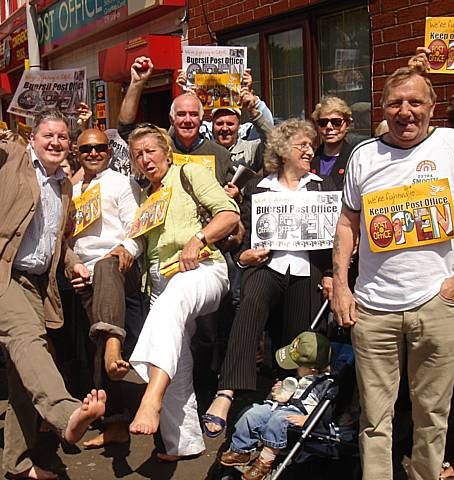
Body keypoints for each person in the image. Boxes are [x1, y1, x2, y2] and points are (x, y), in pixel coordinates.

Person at [0, 66, 106, 480]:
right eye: (48, 135)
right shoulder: (8, 157)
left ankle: (17, 465)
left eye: (62, 137)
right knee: (27, 336)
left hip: (33, 285)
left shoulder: (65, 186)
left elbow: (55, 240)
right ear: (33, 139)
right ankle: (65, 412)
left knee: (22, 372)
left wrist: (73, 263)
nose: (55, 141)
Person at [332, 66, 454, 480]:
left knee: (432, 415)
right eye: (395, 103)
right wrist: (340, 284)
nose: (405, 112)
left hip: (437, 302)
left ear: (432, 106)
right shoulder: (364, 155)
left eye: (415, 102)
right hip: (373, 307)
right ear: (383, 109)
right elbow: (346, 223)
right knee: (375, 419)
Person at [203, 119, 335, 437]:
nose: (309, 150)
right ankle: (227, 391)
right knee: (252, 299)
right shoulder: (258, 188)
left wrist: (331, 274)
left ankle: (280, 405)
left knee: (297, 338)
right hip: (267, 267)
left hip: (307, 271)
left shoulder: (324, 186)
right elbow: (241, 238)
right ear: (282, 150)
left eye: (311, 145)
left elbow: (337, 240)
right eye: (302, 144)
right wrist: (241, 257)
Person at [125, 124, 240, 460]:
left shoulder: (188, 172)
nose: (145, 159)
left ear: (166, 150)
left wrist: (198, 239)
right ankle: (183, 443)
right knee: (176, 355)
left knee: (171, 305)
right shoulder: (147, 196)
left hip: (201, 269)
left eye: (151, 150)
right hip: (161, 281)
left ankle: (150, 398)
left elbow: (229, 214)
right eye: (137, 155)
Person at [69, 128, 145, 448]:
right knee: (91, 346)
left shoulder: (121, 183)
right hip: (81, 273)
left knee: (105, 268)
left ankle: (115, 342)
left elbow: (136, 229)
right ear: (77, 153)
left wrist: (125, 250)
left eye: (100, 147)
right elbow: (62, 240)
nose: (94, 154)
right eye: (87, 149)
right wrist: (72, 265)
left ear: (109, 150)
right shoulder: (68, 190)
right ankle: (110, 421)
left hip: (116, 266)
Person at [219, 332, 333, 480]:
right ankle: (240, 450)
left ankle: (265, 461)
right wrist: (280, 390)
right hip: (280, 405)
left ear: (312, 370)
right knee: (252, 413)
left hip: (299, 412)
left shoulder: (326, 384)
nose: (294, 369)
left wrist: (309, 419)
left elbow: (327, 406)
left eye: (297, 366)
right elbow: (288, 392)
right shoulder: (301, 376)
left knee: (278, 420)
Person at [118, 57, 235, 187]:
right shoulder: (160, 147)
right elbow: (125, 128)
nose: (187, 120)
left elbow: (235, 194)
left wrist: (236, 194)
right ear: (171, 119)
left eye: (193, 114)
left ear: (201, 120)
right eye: (181, 114)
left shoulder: (220, 154)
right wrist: (136, 83)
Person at [310, 96, 355, 188]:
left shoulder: (355, 158)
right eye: (323, 122)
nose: (329, 127)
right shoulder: (310, 159)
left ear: (347, 125)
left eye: (336, 122)